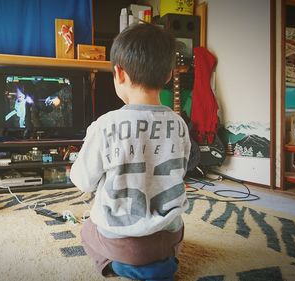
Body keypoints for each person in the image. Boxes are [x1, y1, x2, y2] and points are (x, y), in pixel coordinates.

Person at [70, 23, 191, 281]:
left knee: (88, 229)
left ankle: (122, 267)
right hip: (171, 238)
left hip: (123, 244)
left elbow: (83, 181)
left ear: (118, 73)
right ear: (169, 75)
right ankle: (157, 264)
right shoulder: (180, 124)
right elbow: (183, 167)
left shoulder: (105, 125)